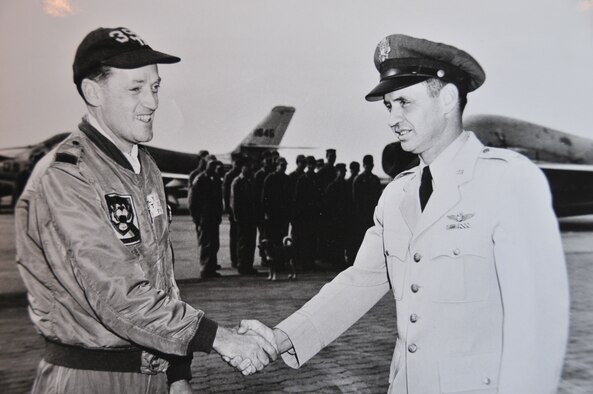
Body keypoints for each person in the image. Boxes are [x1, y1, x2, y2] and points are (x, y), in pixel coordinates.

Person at [239, 34, 570, 393]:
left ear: (447, 99)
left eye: (404, 103)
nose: (393, 119)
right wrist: (280, 337)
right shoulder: (397, 194)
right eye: (388, 106)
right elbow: (359, 282)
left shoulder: (508, 181)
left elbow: (538, 324)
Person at [14, 27, 276, 393]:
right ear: (93, 92)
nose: (152, 102)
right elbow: (116, 292)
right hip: (91, 379)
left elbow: (160, 278)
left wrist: (176, 373)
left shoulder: (143, 167)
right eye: (135, 89)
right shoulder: (66, 176)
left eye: (155, 87)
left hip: (149, 373)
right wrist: (220, 338)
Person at [189, 159, 223, 278]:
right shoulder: (200, 179)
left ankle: (211, 268)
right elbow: (192, 201)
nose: (213, 169)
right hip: (205, 218)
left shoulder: (216, 179)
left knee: (214, 244)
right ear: (206, 166)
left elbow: (219, 200)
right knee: (206, 244)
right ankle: (205, 269)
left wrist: (219, 215)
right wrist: (196, 218)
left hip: (214, 217)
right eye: (211, 166)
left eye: (215, 166)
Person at [231, 159, 260, 275]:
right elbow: (234, 202)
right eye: (247, 167)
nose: (249, 169)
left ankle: (249, 265)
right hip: (243, 218)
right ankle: (242, 266)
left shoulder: (252, 181)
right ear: (242, 168)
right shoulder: (237, 182)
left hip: (252, 218)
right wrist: (237, 217)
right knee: (243, 243)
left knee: (251, 243)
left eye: (250, 167)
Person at [352, 154, 382, 250]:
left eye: (370, 164)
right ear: (363, 165)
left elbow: (379, 198)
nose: (369, 166)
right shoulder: (358, 179)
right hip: (361, 215)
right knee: (360, 239)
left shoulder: (375, 180)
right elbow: (355, 200)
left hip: (372, 215)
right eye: (367, 164)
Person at [223, 154, 243, 268]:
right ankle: (234, 260)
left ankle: (238, 259)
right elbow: (226, 194)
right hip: (233, 211)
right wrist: (229, 210)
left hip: (239, 211)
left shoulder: (234, 175)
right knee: (235, 236)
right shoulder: (230, 175)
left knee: (238, 237)